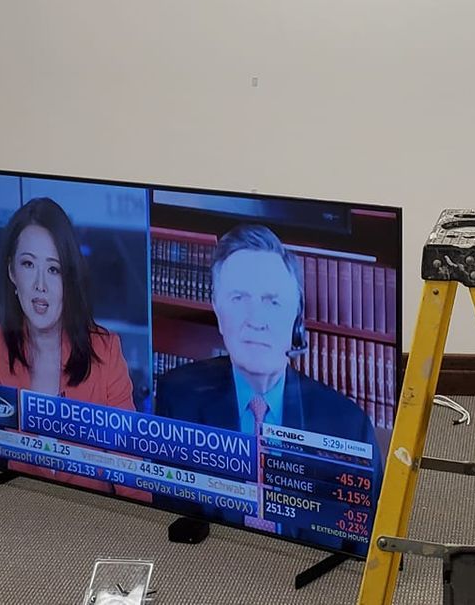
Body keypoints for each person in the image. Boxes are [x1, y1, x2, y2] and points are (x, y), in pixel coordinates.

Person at [155, 225, 378, 536]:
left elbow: (364, 536)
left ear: (296, 317)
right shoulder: (177, 398)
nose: (256, 320)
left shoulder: (348, 425)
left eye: (272, 301)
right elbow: (170, 513)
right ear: (218, 311)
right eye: (238, 298)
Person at [0, 197, 140, 496]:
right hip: (26, 507)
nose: (40, 284)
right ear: (12, 273)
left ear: (69, 278)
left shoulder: (106, 352)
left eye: (54, 269)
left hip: (94, 517)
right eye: (29, 264)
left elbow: (130, 475)